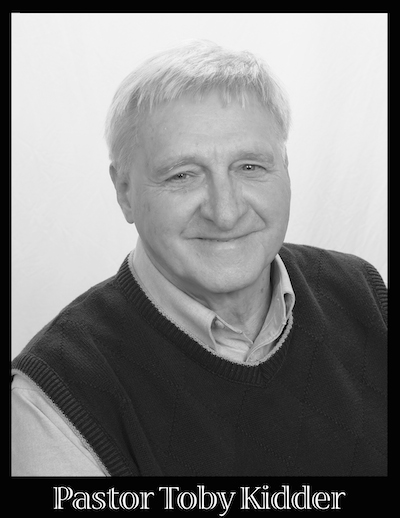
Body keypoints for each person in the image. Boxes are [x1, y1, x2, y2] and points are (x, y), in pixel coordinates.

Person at [11, 40, 387, 477]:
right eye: (182, 175)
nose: (225, 212)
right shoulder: (54, 398)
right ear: (124, 192)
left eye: (250, 167)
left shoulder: (361, 292)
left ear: (285, 167)